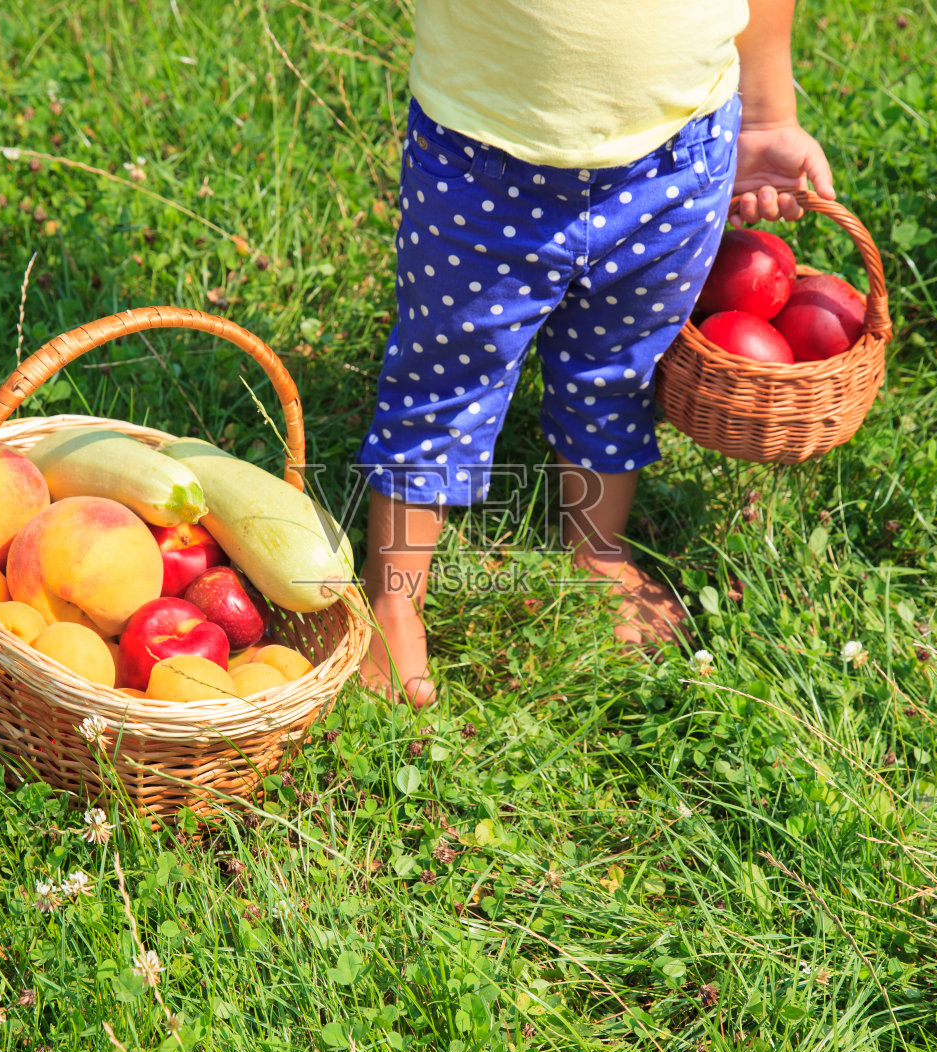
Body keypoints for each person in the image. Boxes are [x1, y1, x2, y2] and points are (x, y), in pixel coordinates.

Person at [358, 0, 837, 707]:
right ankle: (392, 601)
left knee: (619, 367)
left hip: (677, 160)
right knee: (444, 380)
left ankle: (596, 550)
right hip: (484, 164)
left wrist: (766, 117)